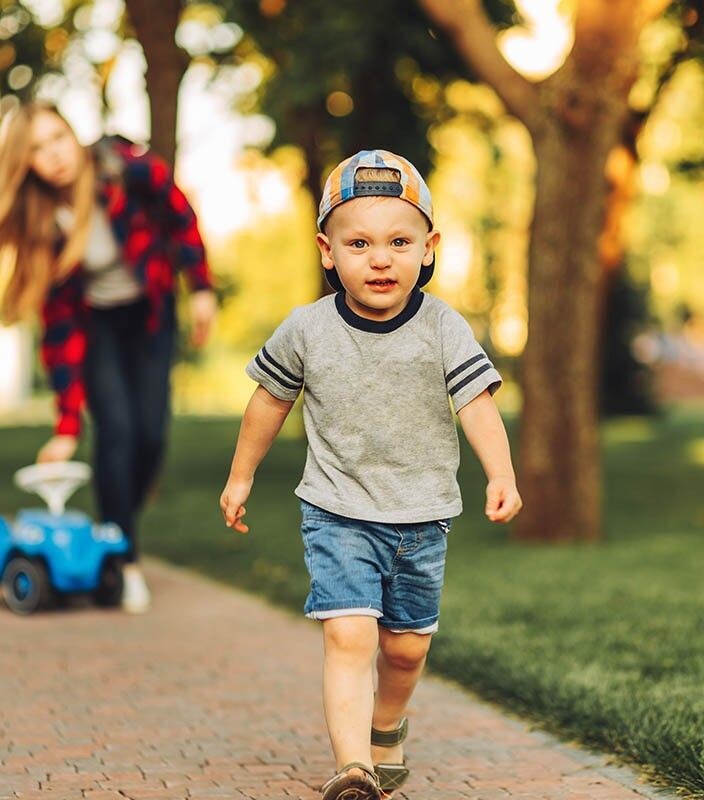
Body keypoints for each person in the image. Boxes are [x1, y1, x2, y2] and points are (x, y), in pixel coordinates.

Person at [218, 150, 522, 799]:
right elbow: (268, 402)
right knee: (350, 633)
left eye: (398, 241)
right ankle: (354, 769)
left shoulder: (443, 327)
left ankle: (386, 727)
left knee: (407, 648)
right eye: (359, 243)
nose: (380, 259)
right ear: (328, 251)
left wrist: (502, 473)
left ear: (429, 246)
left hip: (421, 516)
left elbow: (476, 401)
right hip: (338, 510)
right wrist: (240, 476)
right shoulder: (307, 329)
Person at [0, 102, 216, 614]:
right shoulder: (42, 223)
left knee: (152, 437)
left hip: (150, 312)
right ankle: (127, 559)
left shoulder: (125, 167)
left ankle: (115, 521)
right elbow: (60, 331)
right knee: (115, 432)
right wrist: (67, 424)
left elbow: (179, 214)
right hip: (97, 326)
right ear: (23, 165)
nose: (52, 156)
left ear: (74, 136)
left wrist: (201, 287)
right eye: (36, 150)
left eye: (57, 139)